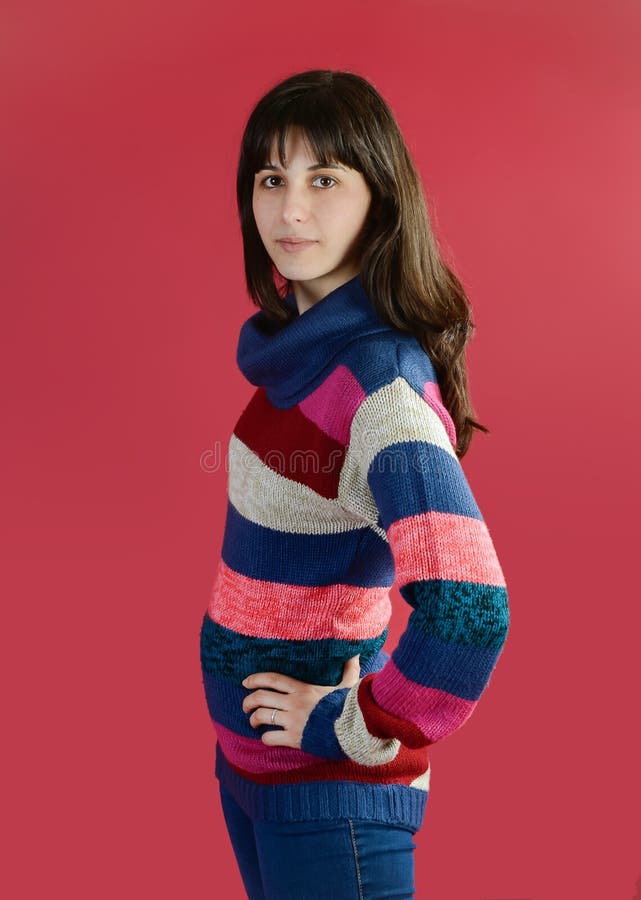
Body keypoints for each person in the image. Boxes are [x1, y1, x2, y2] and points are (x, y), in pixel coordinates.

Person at [199, 68, 510, 899]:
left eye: (324, 180)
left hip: (329, 806)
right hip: (259, 782)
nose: (290, 210)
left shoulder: (375, 384)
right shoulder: (299, 360)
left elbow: (470, 607)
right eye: (271, 179)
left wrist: (351, 726)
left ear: (379, 199)